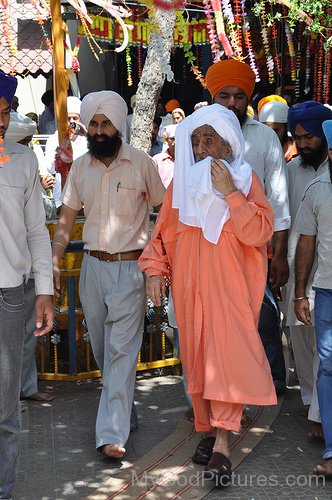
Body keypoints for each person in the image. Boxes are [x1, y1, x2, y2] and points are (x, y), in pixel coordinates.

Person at [139, 104, 276, 484]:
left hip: (232, 295)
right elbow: (160, 238)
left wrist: (231, 195)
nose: (200, 147)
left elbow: (260, 233)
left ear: (228, 144)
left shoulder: (247, 183)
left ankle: (222, 443)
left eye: (209, 139)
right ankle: (209, 428)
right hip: (190, 294)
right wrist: (154, 270)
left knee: (226, 363)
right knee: (198, 362)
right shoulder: (180, 187)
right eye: (196, 140)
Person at [51, 90, 165, 459]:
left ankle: (110, 435)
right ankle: (123, 406)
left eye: (106, 124)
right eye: (94, 124)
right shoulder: (82, 167)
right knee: (102, 349)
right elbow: (67, 218)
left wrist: (157, 260)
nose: (99, 131)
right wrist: (54, 259)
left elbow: (165, 212)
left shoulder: (142, 163)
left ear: (119, 125)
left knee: (120, 350)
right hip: (92, 270)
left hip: (131, 269)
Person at [205, 59, 291, 396]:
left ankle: (271, 382)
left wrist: (280, 255)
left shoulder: (265, 138)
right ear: (213, 97)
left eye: (238, 96)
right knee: (214, 323)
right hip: (210, 250)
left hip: (255, 248)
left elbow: (278, 203)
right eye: (223, 95)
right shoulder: (198, 135)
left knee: (263, 317)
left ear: (248, 99)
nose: (231, 103)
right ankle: (218, 389)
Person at [0, 71, 54, 499]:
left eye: (4, 114)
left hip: (9, 298)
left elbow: (37, 231)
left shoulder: (22, 159)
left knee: (4, 408)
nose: (1, 123)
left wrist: (44, 292)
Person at [282, 101, 332, 435]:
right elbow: (282, 219)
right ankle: (310, 400)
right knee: (299, 335)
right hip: (295, 268)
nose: (302, 144)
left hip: (326, 270)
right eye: (297, 137)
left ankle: (319, 415)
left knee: (323, 343)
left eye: (309, 136)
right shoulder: (290, 170)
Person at [5, 111, 56, 403]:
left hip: (24, 275)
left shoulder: (26, 165)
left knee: (26, 334)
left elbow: (38, 226)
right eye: (24, 141)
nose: (28, 146)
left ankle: (23, 389)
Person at [294, 119, 332, 477]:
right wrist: (299, 292)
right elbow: (306, 242)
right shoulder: (318, 189)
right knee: (328, 367)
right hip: (326, 290)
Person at [44, 96, 88, 208]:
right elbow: (49, 167)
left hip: (85, 193)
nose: (72, 122)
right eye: (68, 118)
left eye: (75, 118)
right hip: (62, 194)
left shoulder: (87, 140)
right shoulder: (54, 139)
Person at [258, 99, 298, 163]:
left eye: (274, 131)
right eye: (264, 131)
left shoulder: (301, 155)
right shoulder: (257, 156)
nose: (269, 136)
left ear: (287, 127)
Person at [153, 124, 177, 188]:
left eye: (178, 138)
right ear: (167, 140)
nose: (175, 142)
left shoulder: (187, 160)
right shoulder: (157, 160)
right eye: (172, 139)